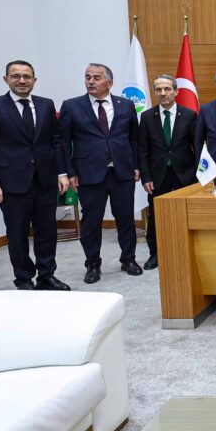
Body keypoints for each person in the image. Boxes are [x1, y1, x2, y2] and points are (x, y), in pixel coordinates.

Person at [0, 60, 70, 290]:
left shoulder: (46, 104)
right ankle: (24, 279)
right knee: (17, 233)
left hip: (45, 180)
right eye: (16, 76)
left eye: (27, 76)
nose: (22, 80)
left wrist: (62, 172)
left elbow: (55, 142)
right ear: (5, 79)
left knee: (47, 231)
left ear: (34, 80)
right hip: (11, 183)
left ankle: (46, 275)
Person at [58, 63, 143, 284]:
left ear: (109, 82)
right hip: (88, 174)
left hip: (122, 172)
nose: (91, 81)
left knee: (125, 219)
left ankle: (129, 259)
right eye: (88, 77)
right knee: (91, 222)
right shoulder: (71, 106)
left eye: (97, 77)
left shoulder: (126, 105)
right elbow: (63, 143)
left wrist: (136, 165)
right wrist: (69, 172)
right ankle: (93, 264)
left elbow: (134, 139)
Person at [137, 74, 197, 270]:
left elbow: (196, 147)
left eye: (167, 89)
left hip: (184, 175)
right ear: (154, 92)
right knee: (156, 217)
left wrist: (196, 176)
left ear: (176, 91)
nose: (163, 93)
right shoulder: (147, 117)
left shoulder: (189, 115)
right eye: (159, 89)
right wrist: (145, 177)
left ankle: (184, 253)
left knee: (184, 216)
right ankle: (155, 254)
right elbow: (143, 150)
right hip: (157, 176)